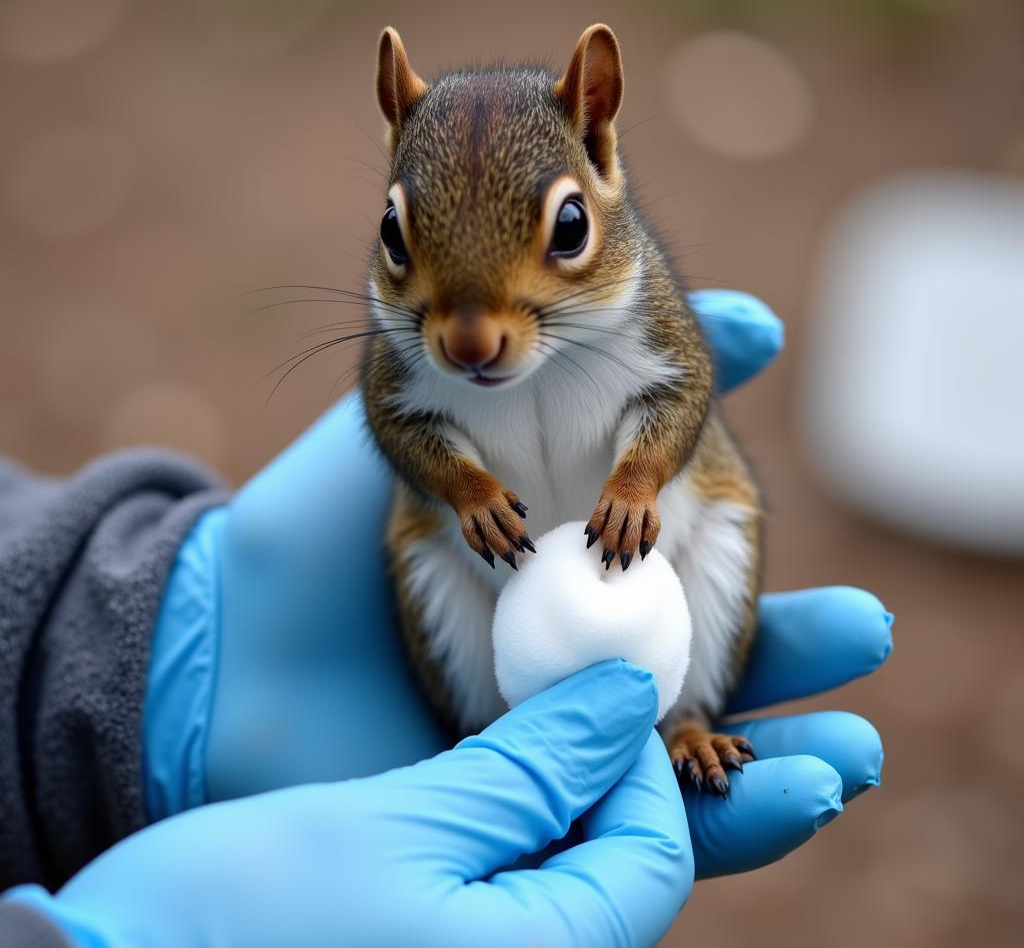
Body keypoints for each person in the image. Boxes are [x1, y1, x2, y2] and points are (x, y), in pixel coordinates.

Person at [0, 291, 891, 947]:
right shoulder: (412, 348)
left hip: (651, 545)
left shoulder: (634, 311)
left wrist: (636, 478)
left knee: (724, 528)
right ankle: (482, 743)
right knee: (427, 558)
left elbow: (676, 389)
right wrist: (463, 486)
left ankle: (689, 717)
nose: (472, 336)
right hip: (491, 584)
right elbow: (407, 422)